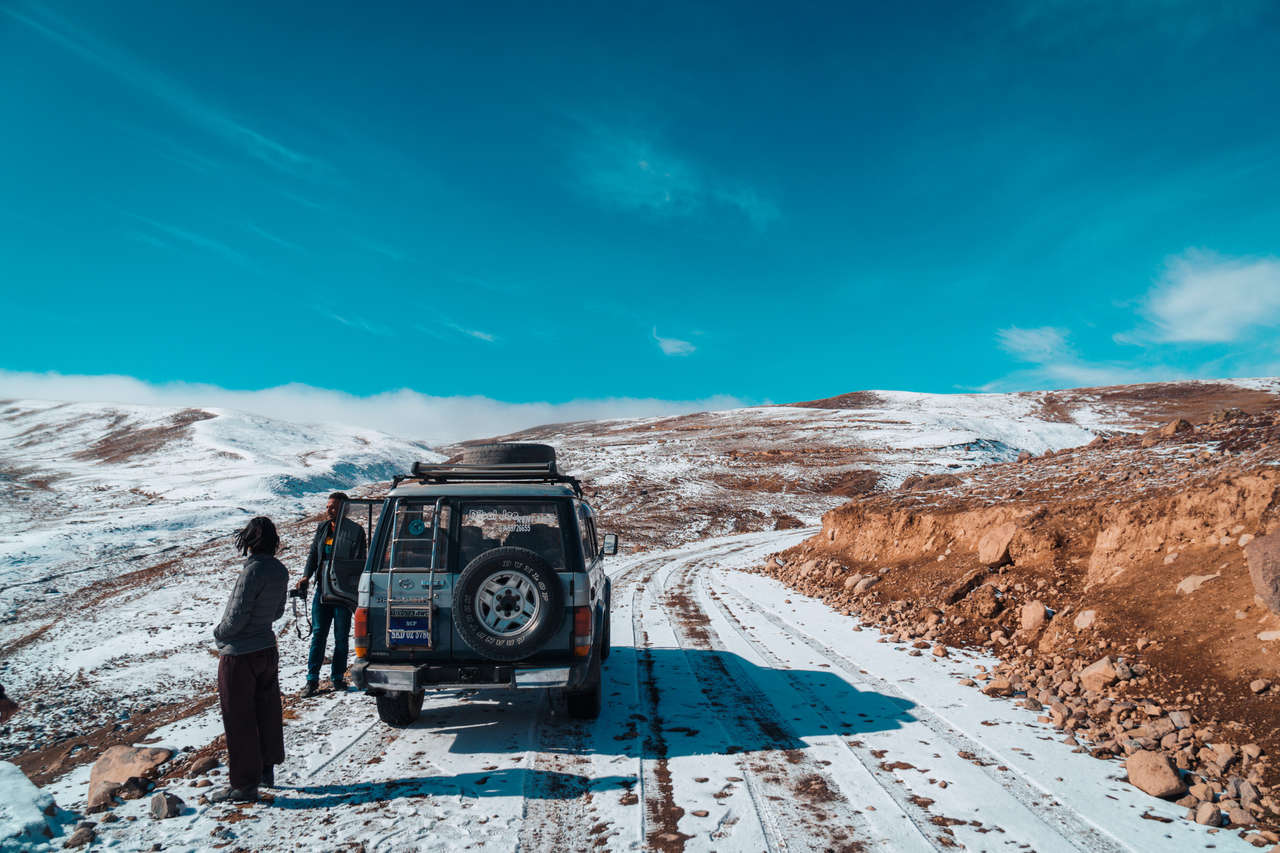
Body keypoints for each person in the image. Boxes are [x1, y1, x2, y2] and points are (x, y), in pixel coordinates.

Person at [211, 516, 288, 804]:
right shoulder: (280, 571)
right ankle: (266, 770)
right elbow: (278, 612)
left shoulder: (251, 572)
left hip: (240, 655)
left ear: (250, 541)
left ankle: (244, 785)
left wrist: (219, 633)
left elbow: (235, 617)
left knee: (239, 718)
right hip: (267, 648)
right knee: (266, 711)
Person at [294, 492, 366, 696]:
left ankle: (337, 678)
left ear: (345, 508)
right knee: (318, 634)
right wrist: (306, 576)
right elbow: (313, 554)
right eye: (328, 506)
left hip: (342, 593)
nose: (329, 510)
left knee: (341, 637)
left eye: (333, 507)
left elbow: (360, 562)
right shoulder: (323, 528)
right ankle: (312, 680)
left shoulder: (356, 531)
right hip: (322, 590)